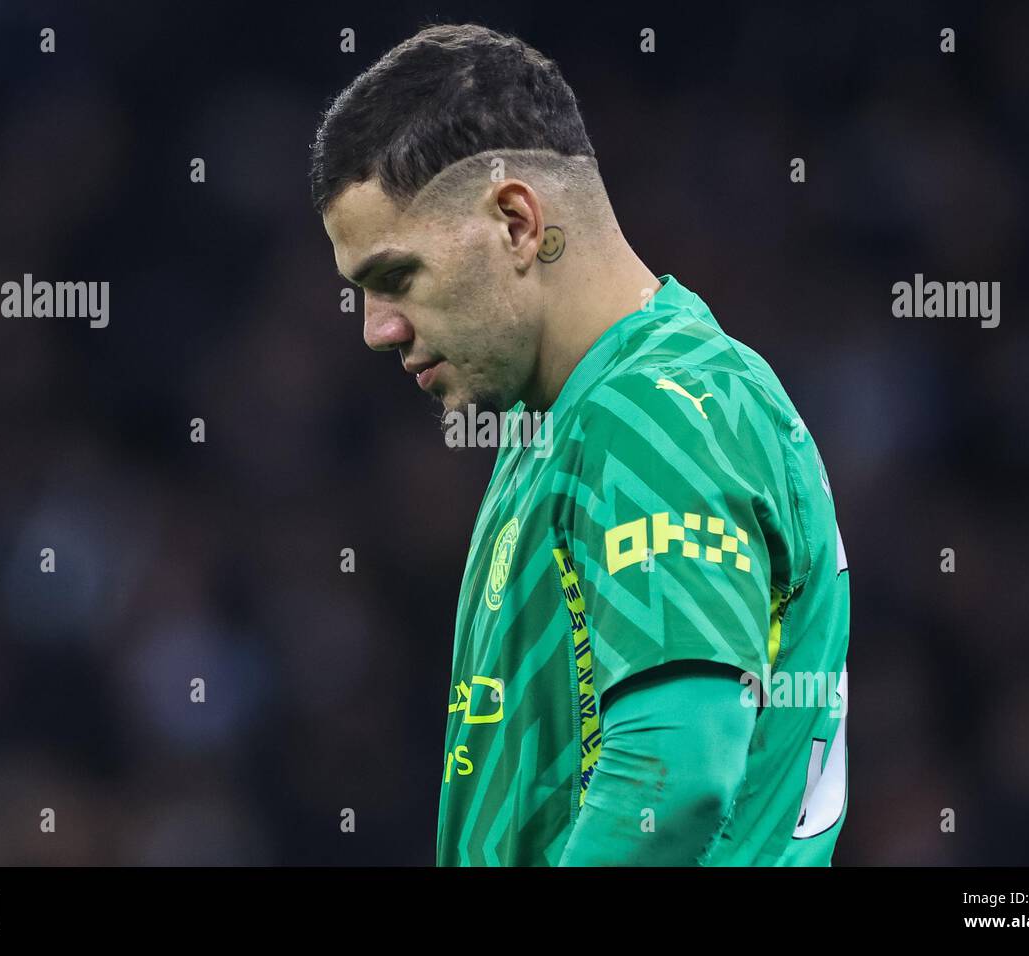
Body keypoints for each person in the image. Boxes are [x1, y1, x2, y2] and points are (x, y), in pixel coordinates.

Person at [311, 22, 850, 866]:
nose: (378, 330)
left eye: (395, 278)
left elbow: (673, 779)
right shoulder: (566, 423)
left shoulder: (656, 411)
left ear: (518, 222)